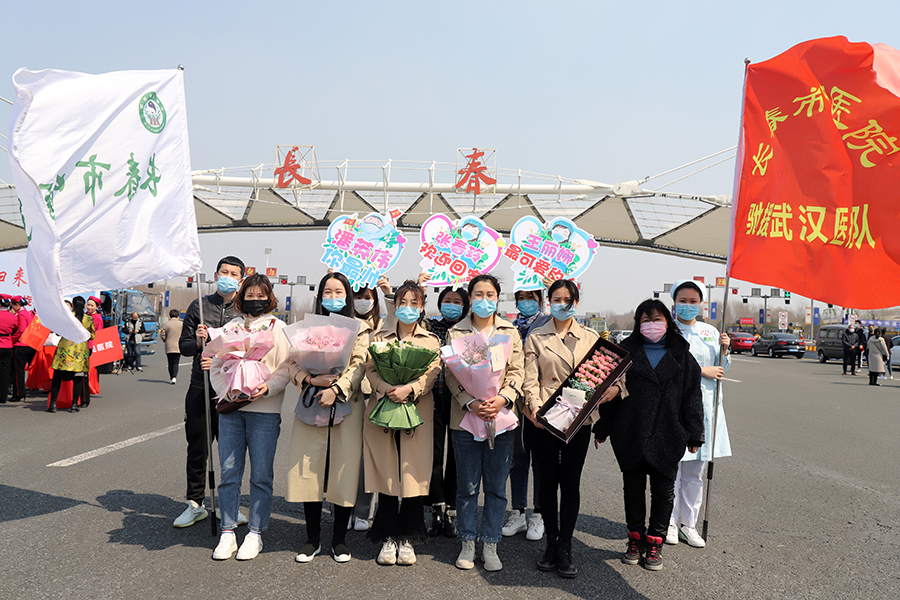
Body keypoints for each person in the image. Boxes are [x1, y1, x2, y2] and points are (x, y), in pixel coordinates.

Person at [593, 299, 704, 572]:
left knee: (663, 493)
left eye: (657, 319)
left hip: (668, 433)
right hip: (630, 431)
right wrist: (602, 428)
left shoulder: (682, 355)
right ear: (638, 324)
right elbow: (610, 394)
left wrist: (694, 434)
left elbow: (692, 398)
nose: (651, 325)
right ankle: (634, 539)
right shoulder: (624, 353)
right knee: (632, 489)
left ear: (667, 322)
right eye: (645, 320)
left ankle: (655, 542)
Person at [523, 279, 623, 578]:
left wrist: (614, 390)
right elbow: (530, 378)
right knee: (546, 482)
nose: (562, 304)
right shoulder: (536, 337)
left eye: (567, 300)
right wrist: (535, 408)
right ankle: (550, 544)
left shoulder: (591, 337)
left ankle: (565, 545)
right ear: (548, 302)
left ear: (576, 303)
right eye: (556, 299)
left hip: (579, 421)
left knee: (570, 482)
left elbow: (614, 375)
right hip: (544, 419)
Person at [287, 272, 371, 564]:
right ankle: (312, 538)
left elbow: (359, 364)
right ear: (319, 295)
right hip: (311, 402)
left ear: (347, 296)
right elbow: (292, 362)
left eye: (338, 292)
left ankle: (339, 539)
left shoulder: (360, 328)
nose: (333, 297)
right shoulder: (306, 327)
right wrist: (310, 379)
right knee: (308, 470)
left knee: (343, 471)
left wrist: (336, 389)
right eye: (327, 292)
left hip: (347, 405)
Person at [447, 274, 524, 572]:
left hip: (500, 418)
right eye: (478, 294)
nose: (484, 300)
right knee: (467, 486)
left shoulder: (509, 331)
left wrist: (503, 398)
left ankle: (490, 543)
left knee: (495, 487)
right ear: (470, 298)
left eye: (490, 294)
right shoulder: (456, 332)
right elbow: (451, 373)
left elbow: (517, 370)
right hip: (466, 418)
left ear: (497, 298)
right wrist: (470, 402)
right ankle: (467, 542)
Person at [211, 274, 291, 561]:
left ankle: (256, 532)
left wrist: (268, 387)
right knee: (228, 472)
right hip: (232, 411)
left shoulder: (279, 328)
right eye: (249, 295)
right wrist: (227, 392)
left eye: (261, 295)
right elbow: (217, 365)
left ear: (269, 298)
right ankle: (228, 531)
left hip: (265, 412)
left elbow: (286, 367)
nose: (255, 300)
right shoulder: (231, 327)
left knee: (261, 475)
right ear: (241, 297)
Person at [364, 279, 441, 566]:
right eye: (402, 302)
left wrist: (410, 389)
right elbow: (370, 370)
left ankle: (408, 536)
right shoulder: (379, 336)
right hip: (383, 409)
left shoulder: (431, 340)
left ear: (421, 308)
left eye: (414, 303)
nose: (408, 308)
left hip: (416, 412)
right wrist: (386, 388)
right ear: (394, 306)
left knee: (412, 474)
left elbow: (432, 372)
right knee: (386, 472)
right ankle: (387, 535)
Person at [173, 256, 246, 528]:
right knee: (198, 446)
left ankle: (229, 505)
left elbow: (250, 351)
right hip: (200, 385)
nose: (228, 277)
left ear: (241, 279)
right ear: (216, 275)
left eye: (234, 274)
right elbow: (184, 347)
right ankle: (195, 503)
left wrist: (219, 358)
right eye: (224, 272)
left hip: (231, 388)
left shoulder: (244, 312)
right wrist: (198, 342)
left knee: (231, 452)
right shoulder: (199, 306)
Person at [665, 280, 731, 548]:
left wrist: (725, 351)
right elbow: (667, 367)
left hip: (706, 408)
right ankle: (668, 522)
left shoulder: (710, 331)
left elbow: (722, 368)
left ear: (701, 304)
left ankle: (688, 525)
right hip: (677, 408)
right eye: (683, 301)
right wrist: (701, 371)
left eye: (693, 301)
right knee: (672, 471)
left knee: (695, 472)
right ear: (674, 302)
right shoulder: (667, 332)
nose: (688, 306)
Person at [504, 288, 552, 542]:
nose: (525, 303)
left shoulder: (548, 323)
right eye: (520, 298)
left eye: (530, 298)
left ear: (540, 300)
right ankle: (518, 511)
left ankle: (539, 513)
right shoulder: (510, 328)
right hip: (516, 402)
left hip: (542, 402)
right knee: (518, 459)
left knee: (541, 461)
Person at [423, 284, 470, 539]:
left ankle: (452, 509)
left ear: (466, 305)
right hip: (433, 400)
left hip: (461, 403)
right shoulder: (430, 328)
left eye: (457, 301)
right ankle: (436, 508)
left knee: (456, 459)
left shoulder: (469, 332)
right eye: (447, 301)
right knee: (432, 457)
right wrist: (421, 289)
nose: (451, 305)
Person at [349, 285, 381, 532]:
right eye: (357, 297)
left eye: (367, 297)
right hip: (348, 394)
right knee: (345, 455)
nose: (362, 301)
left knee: (366, 458)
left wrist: (388, 292)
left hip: (373, 395)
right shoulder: (343, 323)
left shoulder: (383, 325)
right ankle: (343, 508)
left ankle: (362, 511)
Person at [47, 296, 95, 413]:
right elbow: (92, 335)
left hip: (65, 351)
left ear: (72, 305)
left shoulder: (67, 317)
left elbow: (58, 333)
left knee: (57, 377)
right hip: (80, 352)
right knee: (78, 379)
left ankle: (53, 404)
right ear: (84, 306)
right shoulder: (88, 319)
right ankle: (74, 404)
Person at [10, 296, 35, 403]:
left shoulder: (20, 314)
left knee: (17, 371)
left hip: (20, 344)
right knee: (19, 370)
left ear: (16, 305)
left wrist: (11, 340)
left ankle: (18, 393)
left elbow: (21, 330)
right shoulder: (27, 313)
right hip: (27, 344)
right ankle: (20, 393)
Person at [0, 294, 23, 405]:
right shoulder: (13, 317)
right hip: (8, 345)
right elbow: (16, 329)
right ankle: (3, 396)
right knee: (5, 372)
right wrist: (10, 339)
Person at [159, 309, 184, 384]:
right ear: (178, 315)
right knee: (176, 362)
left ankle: (171, 377)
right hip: (178, 345)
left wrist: (165, 340)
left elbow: (162, 334)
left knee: (170, 362)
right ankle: (174, 377)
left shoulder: (167, 324)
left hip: (169, 344)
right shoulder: (181, 324)